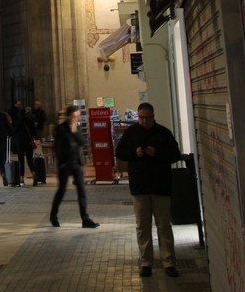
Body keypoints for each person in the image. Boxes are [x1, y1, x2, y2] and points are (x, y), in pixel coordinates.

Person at [115, 102, 181, 277]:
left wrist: (156, 153)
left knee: (164, 226)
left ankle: (169, 263)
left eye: (147, 118)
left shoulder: (163, 133)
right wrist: (134, 152)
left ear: (153, 116)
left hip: (160, 186)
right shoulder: (131, 133)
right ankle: (146, 263)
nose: (144, 121)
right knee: (142, 226)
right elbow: (120, 152)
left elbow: (175, 154)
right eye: (141, 118)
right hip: (140, 187)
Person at [50, 106, 99, 229]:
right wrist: (60, 164)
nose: (76, 119)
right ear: (68, 116)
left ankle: (85, 219)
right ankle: (53, 216)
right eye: (74, 116)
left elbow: (82, 142)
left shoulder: (76, 128)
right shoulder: (60, 129)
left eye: (78, 116)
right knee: (61, 190)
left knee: (81, 191)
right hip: (65, 164)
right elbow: (58, 147)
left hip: (76, 163)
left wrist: (74, 132)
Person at [10, 100, 35, 185]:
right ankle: (34, 173)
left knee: (21, 161)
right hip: (28, 143)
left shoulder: (18, 122)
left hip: (20, 144)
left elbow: (13, 132)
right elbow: (34, 131)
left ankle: (21, 179)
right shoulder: (30, 121)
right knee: (30, 160)